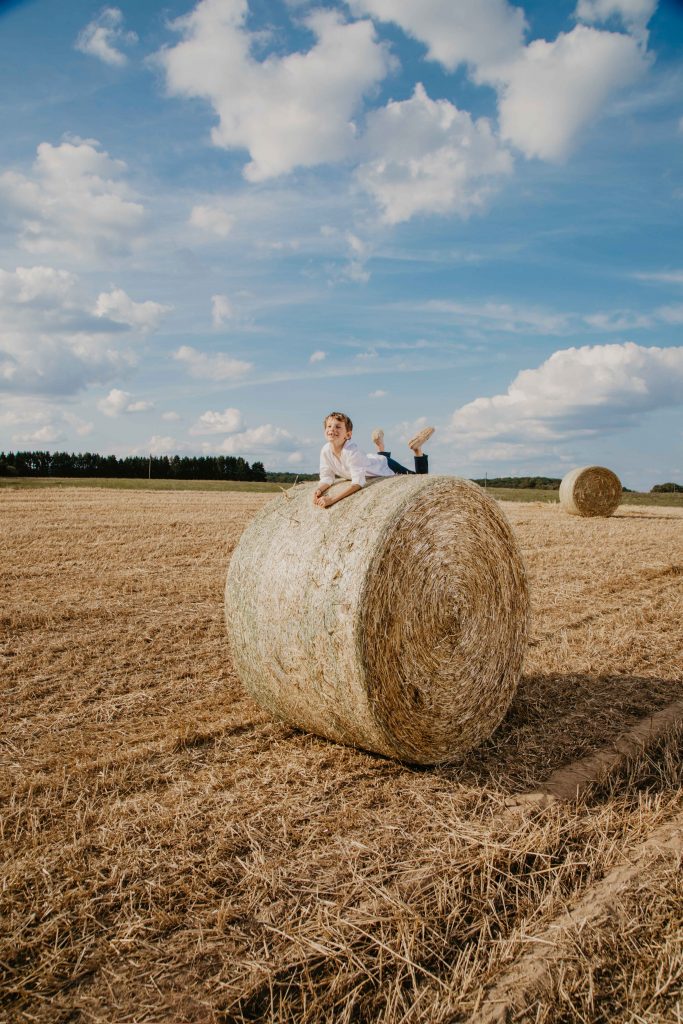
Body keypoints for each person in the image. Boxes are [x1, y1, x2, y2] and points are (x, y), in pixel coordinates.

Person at [313, 411, 435, 509]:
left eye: (338, 427)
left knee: (420, 478)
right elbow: (327, 477)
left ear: (348, 435)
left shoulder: (352, 452)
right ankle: (380, 446)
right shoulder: (325, 451)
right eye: (329, 426)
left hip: (386, 465)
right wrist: (319, 490)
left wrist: (332, 499)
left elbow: (358, 483)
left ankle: (417, 450)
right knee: (374, 461)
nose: (332, 429)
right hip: (371, 461)